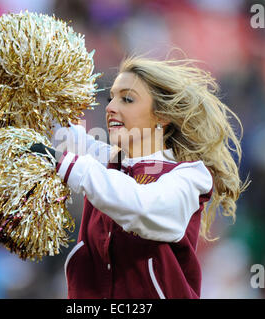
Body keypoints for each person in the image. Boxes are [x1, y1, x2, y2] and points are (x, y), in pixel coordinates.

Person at [31, 56, 248, 299]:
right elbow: (53, 131)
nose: (111, 107)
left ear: (162, 115)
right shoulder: (107, 163)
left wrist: (66, 164)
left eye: (127, 99)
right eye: (111, 97)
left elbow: (143, 208)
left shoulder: (189, 177)